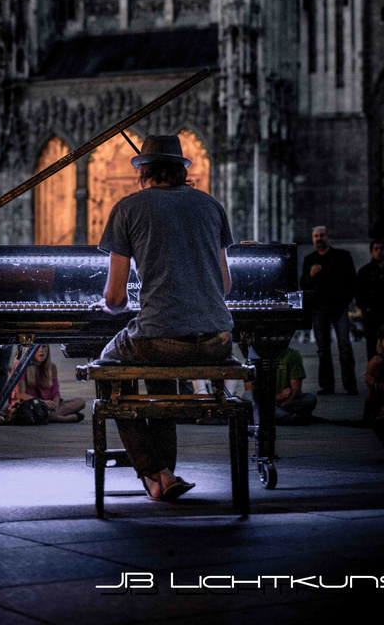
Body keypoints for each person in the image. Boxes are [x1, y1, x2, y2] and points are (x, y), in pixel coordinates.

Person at [98, 133, 235, 502]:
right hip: (219, 340)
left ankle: (152, 469)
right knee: (160, 381)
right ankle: (165, 477)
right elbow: (224, 284)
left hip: (161, 339)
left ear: (143, 170)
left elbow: (113, 297)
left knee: (106, 367)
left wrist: (111, 305)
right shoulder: (211, 206)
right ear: (180, 170)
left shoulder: (129, 208)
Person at [300, 226, 358, 396]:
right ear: (312, 239)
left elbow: (352, 280)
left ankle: (350, 385)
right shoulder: (310, 259)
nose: (319, 239)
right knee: (323, 349)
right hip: (320, 309)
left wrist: (346, 301)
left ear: (328, 237)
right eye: (316, 236)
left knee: (345, 346)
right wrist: (310, 275)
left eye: (322, 235)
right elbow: (303, 284)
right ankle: (327, 386)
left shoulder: (342, 256)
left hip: (339, 307)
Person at [10, 344, 85, 423]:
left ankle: (50, 416)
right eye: (37, 347)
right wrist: (43, 402)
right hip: (30, 405)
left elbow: (56, 393)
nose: (41, 350)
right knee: (26, 412)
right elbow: (21, 395)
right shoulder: (21, 365)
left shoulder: (52, 367)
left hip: (48, 406)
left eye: (44, 346)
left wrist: (55, 405)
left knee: (80, 402)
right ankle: (62, 418)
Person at [356, 240, 384, 360]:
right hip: (372, 314)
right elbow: (359, 292)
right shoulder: (365, 271)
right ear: (372, 251)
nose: (379, 251)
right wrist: (366, 308)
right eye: (376, 249)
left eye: (381, 248)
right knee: (373, 345)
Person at [273, 347, 317, 424]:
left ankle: (277, 415)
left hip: (285, 403)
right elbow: (250, 392)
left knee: (311, 398)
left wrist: (285, 401)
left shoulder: (291, 355)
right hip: (264, 403)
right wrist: (280, 396)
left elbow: (295, 390)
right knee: (247, 397)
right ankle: (288, 417)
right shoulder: (252, 355)